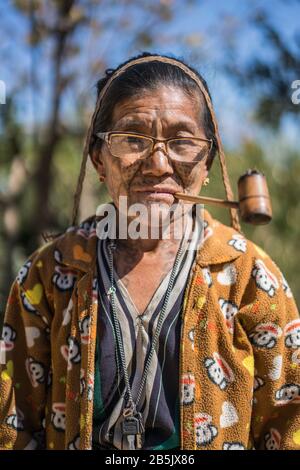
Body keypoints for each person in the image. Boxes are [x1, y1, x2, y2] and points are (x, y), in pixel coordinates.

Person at [0, 52, 299, 451]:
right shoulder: (52, 272)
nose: (158, 164)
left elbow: (288, 423)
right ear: (99, 160)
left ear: (206, 161)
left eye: (182, 141)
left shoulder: (249, 278)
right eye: (132, 139)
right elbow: (14, 425)